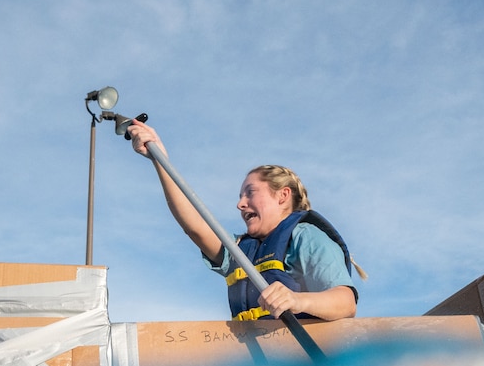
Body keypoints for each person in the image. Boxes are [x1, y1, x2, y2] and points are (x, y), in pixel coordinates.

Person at [126, 121, 360, 321]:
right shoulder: (239, 251)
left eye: (250, 193)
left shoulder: (306, 237)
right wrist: (160, 160)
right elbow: (196, 227)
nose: (240, 204)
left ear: (283, 195)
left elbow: (346, 302)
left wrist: (297, 300)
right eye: (240, 197)